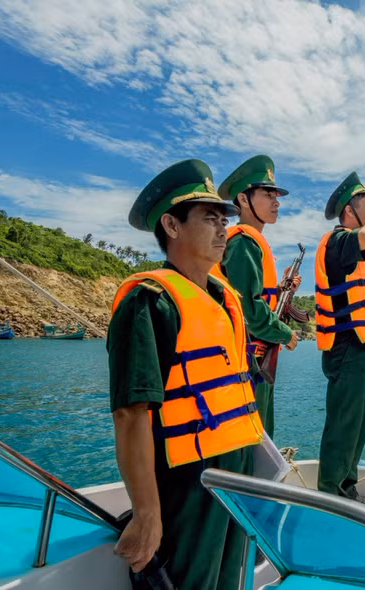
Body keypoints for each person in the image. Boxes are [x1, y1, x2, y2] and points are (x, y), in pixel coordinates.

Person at [108, 159, 263, 589]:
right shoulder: (150, 301)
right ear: (172, 226)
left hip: (233, 480)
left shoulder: (223, 299)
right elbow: (131, 413)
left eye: (224, 220)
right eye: (209, 219)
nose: (222, 230)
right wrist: (146, 513)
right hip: (187, 486)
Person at [314, 171, 365, 505]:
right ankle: (330, 495)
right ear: (350, 210)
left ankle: (346, 487)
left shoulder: (363, 250)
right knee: (343, 424)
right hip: (347, 346)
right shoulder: (338, 242)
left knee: (359, 424)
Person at [212, 155, 299, 437]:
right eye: (267, 194)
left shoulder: (249, 241)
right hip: (245, 361)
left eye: (277, 195)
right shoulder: (243, 241)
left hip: (251, 358)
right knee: (251, 439)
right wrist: (285, 333)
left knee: (258, 437)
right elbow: (250, 311)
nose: (277, 201)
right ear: (244, 199)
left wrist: (284, 293)